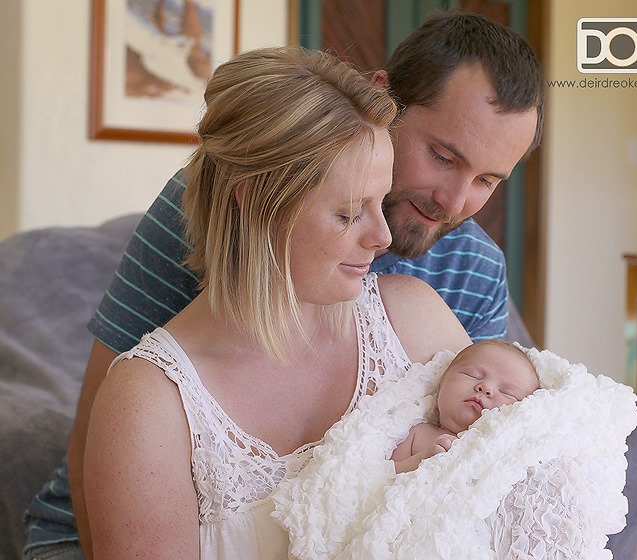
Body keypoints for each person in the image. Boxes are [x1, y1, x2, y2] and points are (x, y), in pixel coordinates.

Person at [23, 11, 543, 560]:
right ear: (386, 101)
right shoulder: (203, 221)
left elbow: (495, 467)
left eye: (488, 180)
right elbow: (103, 437)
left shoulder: (460, 280)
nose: (455, 202)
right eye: (442, 156)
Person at [82, 46, 471, 559]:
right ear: (255, 200)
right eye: (349, 213)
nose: (382, 237)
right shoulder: (149, 406)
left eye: (381, 202)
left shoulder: (414, 322)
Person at [391, 340, 540, 473]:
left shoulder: (504, 456)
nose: (486, 387)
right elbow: (386, 477)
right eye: (473, 375)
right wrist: (420, 460)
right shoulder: (417, 434)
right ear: (440, 389)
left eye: (507, 392)